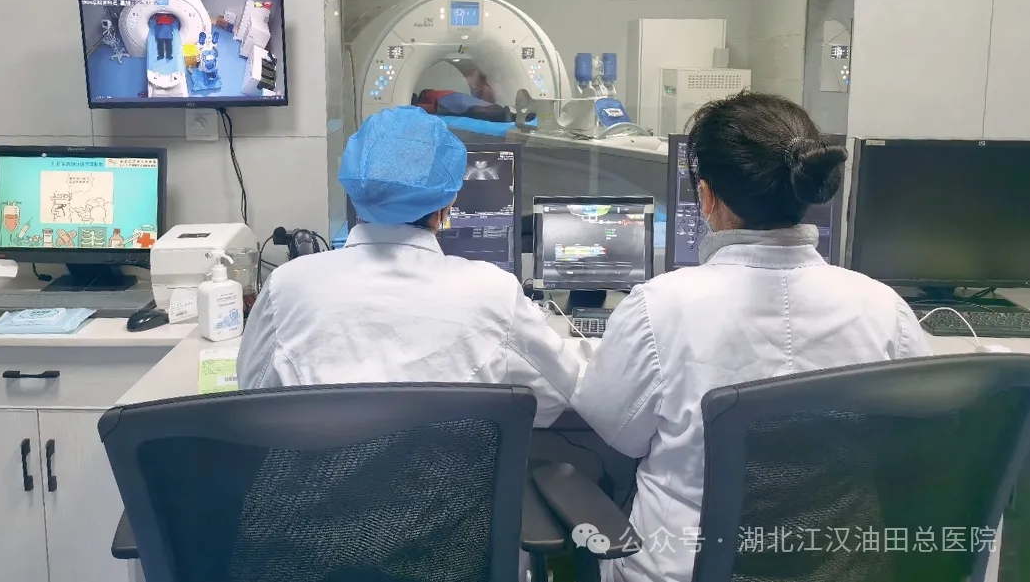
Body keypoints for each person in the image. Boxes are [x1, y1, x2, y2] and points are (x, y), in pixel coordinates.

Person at [572, 91, 933, 582]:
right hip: (839, 564)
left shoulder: (659, 307)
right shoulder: (883, 309)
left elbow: (618, 433)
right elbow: (912, 442)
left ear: (706, 196)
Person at [237, 105, 579, 427]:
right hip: (450, 473)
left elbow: (251, 396)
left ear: (355, 191)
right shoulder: (494, 293)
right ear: (447, 205)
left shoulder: (287, 287)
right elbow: (557, 396)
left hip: (319, 473)